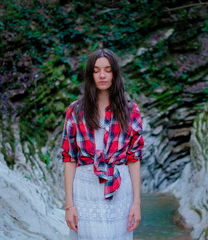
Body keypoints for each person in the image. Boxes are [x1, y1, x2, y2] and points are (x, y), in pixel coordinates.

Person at [61, 48, 144, 240]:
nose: (102, 75)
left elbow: (134, 158)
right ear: (90, 75)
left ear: (115, 73)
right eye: (96, 70)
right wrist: (69, 205)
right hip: (85, 189)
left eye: (107, 69)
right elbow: (69, 158)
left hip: (120, 189)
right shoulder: (75, 111)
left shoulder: (131, 111)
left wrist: (136, 204)